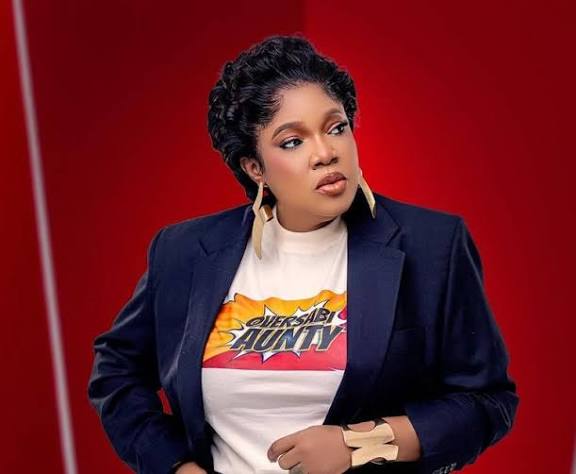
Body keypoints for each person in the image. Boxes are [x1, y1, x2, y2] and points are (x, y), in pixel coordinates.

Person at [88, 34, 519, 474]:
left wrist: (360, 443)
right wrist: (176, 466)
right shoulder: (184, 251)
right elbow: (116, 370)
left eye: (336, 127)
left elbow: (487, 402)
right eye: (293, 141)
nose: (326, 153)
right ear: (254, 167)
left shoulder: (431, 246)